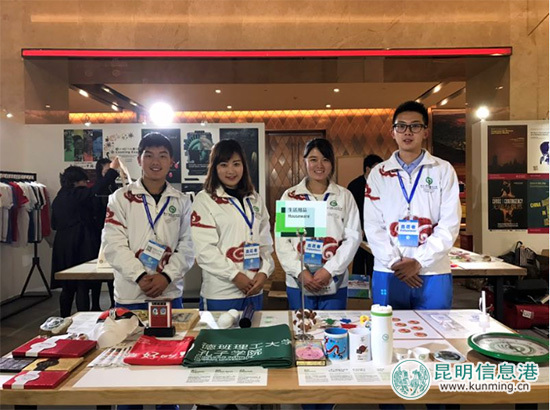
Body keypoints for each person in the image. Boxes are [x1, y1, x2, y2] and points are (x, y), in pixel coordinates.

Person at [364, 100, 461, 310]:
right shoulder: (379, 174)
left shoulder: (443, 170)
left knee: (435, 328)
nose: (408, 132)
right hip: (390, 270)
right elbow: (373, 225)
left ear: (425, 132)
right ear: (393, 132)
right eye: (401, 126)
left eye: (415, 126)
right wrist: (395, 263)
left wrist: (419, 262)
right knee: (387, 328)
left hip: (432, 271)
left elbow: (450, 223)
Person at [102, 132, 194, 311]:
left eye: (162, 156)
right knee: (129, 331)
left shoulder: (182, 201)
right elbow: (113, 243)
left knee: (173, 331)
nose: (156, 162)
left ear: (171, 161)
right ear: (139, 160)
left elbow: (189, 245)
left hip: (169, 291)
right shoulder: (121, 198)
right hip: (131, 293)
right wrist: (139, 276)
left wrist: (166, 277)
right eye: (149, 155)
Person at [276, 138, 362, 310]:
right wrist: (300, 271)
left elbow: (353, 237)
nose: (319, 165)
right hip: (299, 280)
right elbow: (282, 241)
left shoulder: (344, 196)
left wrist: (329, 270)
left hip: (334, 279)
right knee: (303, 325)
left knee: (332, 325)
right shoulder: (291, 196)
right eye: (313, 159)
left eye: (325, 159)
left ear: (332, 163)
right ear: (305, 161)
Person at [191, 139, 274, 311]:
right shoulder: (205, 200)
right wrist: (234, 275)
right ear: (214, 168)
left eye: (236, 164)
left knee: (254, 329)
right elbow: (204, 250)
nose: (231, 171)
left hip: (254, 289)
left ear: (244, 166)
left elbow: (265, 242)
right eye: (224, 165)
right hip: (222, 293)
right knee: (220, 330)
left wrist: (264, 271)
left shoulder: (254, 198)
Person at [51, 162, 119, 317]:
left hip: (62, 244)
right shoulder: (76, 195)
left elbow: (53, 224)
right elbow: (96, 189)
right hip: (79, 243)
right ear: (76, 182)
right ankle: (84, 320)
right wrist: (112, 171)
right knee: (82, 284)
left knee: (67, 287)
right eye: (84, 181)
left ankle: (64, 319)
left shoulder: (58, 198)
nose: (86, 184)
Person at [89, 158, 119, 310]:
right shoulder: (95, 189)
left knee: (113, 270)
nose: (110, 175)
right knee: (98, 272)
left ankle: (114, 303)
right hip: (97, 234)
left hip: (113, 233)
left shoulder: (114, 189)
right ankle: (95, 304)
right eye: (107, 171)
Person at [347, 154, 383, 277]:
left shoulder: (382, 184)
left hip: (376, 229)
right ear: (368, 169)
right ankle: (358, 286)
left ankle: (374, 284)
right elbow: (351, 210)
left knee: (373, 259)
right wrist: (357, 227)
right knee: (359, 260)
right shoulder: (355, 185)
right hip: (359, 229)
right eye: (376, 168)